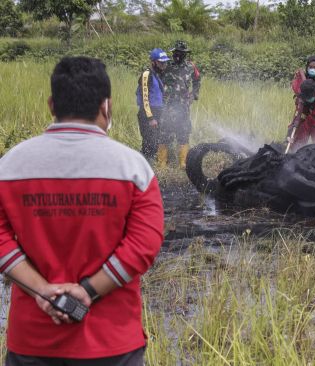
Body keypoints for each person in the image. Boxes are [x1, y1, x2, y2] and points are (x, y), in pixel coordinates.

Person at [0, 57, 164, 364]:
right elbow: (144, 246)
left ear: (52, 104)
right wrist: (87, 291)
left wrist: (43, 291)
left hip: (33, 341)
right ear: (106, 106)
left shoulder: (9, 166)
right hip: (113, 343)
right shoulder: (134, 169)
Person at [159, 40, 201, 169]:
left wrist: (193, 95)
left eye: (181, 53)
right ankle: (162, 164)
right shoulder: (166, 66)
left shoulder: (191, 67)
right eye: (175, 52)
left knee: (183, 133)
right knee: (164, 133)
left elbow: (197, 80)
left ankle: (183, 163)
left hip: (183, 106)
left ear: (185, 54)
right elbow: (156, 80)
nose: (177, 55)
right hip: (167, 105)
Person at [136, 48, 169, 161]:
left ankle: (149, 168)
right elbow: (145, 98)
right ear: (153, 62)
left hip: (157, 112)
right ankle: (143, 166)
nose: (163, 65)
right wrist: (150, 118)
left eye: (165, 62)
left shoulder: (157, 75)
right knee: (149, 143)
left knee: (155, 143)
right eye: (161, 62)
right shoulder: (146, 74)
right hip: (148, 114)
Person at [287, 55, 315, 152]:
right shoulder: (301, 79)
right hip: (303, 114)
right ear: (307, 67)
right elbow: (296, 89)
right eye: (310, 67)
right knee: (297, 143)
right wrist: (298, 79)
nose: (313, 69)